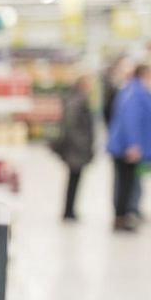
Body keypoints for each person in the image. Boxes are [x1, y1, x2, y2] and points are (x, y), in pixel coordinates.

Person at [107, 64, 151, 233]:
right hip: (127, 148)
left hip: (126, 147)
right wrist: (134, 145)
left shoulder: (131, 91)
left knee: (127, 182)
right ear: (144, 75)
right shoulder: (135, 93)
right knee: (125, 183)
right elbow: (131, 120)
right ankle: (122, 218)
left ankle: (124, 216)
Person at [50, 76, 95, 221]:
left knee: (74, 179)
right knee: (74, 179)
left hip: (74, 147)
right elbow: (71, 125)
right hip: (75, 148)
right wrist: (82, 143)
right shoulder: (78, 101)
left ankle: (70, 210)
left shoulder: (74, 99)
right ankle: (69, 211)